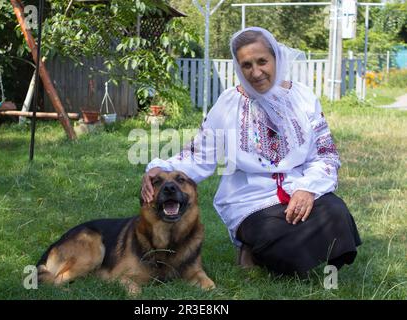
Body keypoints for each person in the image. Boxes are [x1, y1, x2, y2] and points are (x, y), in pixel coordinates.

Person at [141, 27, 361, 277]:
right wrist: (161, 168)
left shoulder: (302, 97)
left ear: (276, 58)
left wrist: (308, 188)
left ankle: (291, 258)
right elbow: (199, 155)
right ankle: (256, 250)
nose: (256, 72)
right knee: (272, 235)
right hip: (251, 201)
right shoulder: (227, 103)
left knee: (336, 213)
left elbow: (325, 153)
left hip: (298, 188)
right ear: (238, 67)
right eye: (246, 65)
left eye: (262, 61)